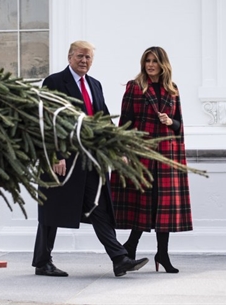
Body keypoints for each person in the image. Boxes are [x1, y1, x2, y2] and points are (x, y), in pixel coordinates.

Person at [32, 40, 149, 277]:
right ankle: (43, 262)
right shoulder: (54, 82)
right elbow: (47, 120)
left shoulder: (95, 85)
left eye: (88, 58)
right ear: (69, 57)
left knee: (100, 208)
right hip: (63, 158)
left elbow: (103, 120)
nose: (84, 61)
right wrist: (56, 154)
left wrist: (117, 150)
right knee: (51, 211)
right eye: (80, 56)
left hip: (91, 160)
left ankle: (119, 259)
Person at [111, 46, 192, 274]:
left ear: (163, 64)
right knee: (143, 201)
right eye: (147, 61)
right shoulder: (135, 87)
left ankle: (161, 253)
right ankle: (131, 247)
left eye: (154, 61)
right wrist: (123, 150)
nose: (150, 65)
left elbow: (179, 125)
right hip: (142, 152)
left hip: (166, 154)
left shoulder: (172, 89)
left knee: (161, 204)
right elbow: (125, 122)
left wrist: (170, 122)